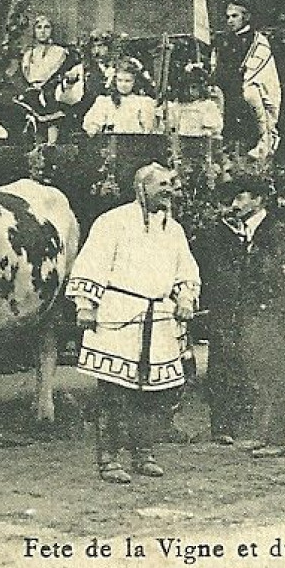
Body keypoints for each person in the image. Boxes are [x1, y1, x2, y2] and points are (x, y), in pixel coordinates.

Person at [69, 164, 200, 483]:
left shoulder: (174, 230)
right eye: (162, 185)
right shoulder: (112, 222)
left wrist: (184, 298)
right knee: (115, 392)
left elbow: (186, 270)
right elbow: (92, 263)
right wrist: (86, 304)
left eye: (172, 184)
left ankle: (143, 453)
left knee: (153, 393)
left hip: (158, 319)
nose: (170, 189)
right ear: (141, 188)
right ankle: (109, 459)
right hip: (120, 315)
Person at [197, 174, 285, 455]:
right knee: (259, 375)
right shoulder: (250, 232)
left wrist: (276, 309)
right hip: (254, 316)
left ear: (258, 200)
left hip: (272, 315)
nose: (234, 205)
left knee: (272, 375)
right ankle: (264, 436)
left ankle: (276, 441)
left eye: (240, 198)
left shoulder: (276, 231)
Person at [210, 0, 282, 161]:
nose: (230, 21)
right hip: (228, 88)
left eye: (235, 16)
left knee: (251, 97)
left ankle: (262, 142)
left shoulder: (257, 40)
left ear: (245, 17)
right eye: (228, 17)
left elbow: (260, 65)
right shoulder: (224, 40)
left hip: (247, 84)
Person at [16, 16, 71, 142]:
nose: (42, 31)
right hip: (31, 90)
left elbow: (58, 73)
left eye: (47, 27)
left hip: (51, 89)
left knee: (50, 106)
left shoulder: (59, 52)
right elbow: (24, 76)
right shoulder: (28, 54)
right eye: (39, 27)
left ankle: (51, 145)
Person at [82, 60, 160, 135]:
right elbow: (93, 121)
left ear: (134, 82)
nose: (123, 85)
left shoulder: (143, 102)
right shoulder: (106, 101)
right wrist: (93, 127)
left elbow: (148, 129)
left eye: (127, 81)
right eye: (120, 80)